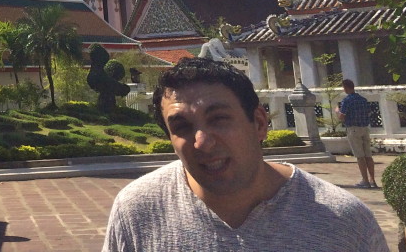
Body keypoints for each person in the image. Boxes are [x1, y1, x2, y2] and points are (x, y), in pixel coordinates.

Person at [102, 57, 388, 252]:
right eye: (182, 127)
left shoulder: (342, 221)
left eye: (219, 119)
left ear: (259, 124)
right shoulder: (137, 211)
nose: (202, 142)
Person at [338, 78, 378, 188]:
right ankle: (372, 180)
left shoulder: (347, 100)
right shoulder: (363, 100)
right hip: (364, 128)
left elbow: (342, 117)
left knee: (360, 156)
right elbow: (369, 113)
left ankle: (365, 181)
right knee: (368, 155)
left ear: (345, 88)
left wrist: (337, 111)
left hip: (353, 128)